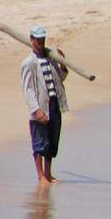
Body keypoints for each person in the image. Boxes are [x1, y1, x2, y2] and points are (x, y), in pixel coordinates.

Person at [21, 25, 69, 185]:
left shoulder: (50, 58)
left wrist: (62, 64)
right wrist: (36, 110)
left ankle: (48, 174)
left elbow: (59, 78)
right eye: (38, 40)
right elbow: (27, 89)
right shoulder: (29, 63)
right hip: (40, 106)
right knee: (40, 142)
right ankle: (40, 175)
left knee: (52, 141)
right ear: (32, 39)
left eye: (42, 40)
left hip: (54, 104)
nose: (41, 43)